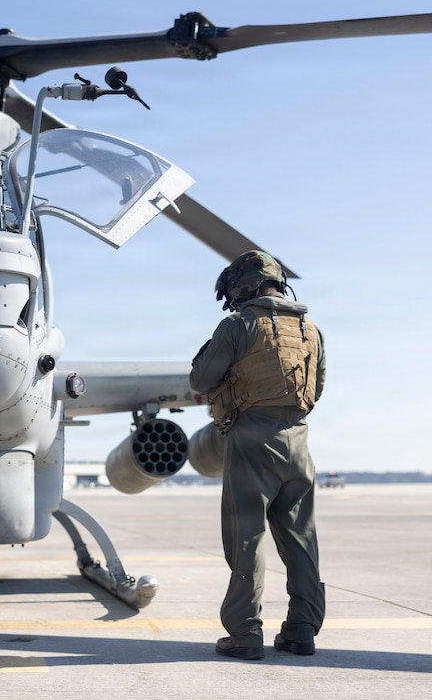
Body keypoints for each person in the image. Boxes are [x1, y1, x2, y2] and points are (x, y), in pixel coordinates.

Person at [189, 251, 326, 660]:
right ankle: (302, 631)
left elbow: (201, 378)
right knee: (301, 537)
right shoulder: (310, 329)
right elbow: (316, 389)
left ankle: (246, 634)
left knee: (246, 535)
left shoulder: (238, 325)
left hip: (252, 439)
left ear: (243, 285)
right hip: (298, 441)